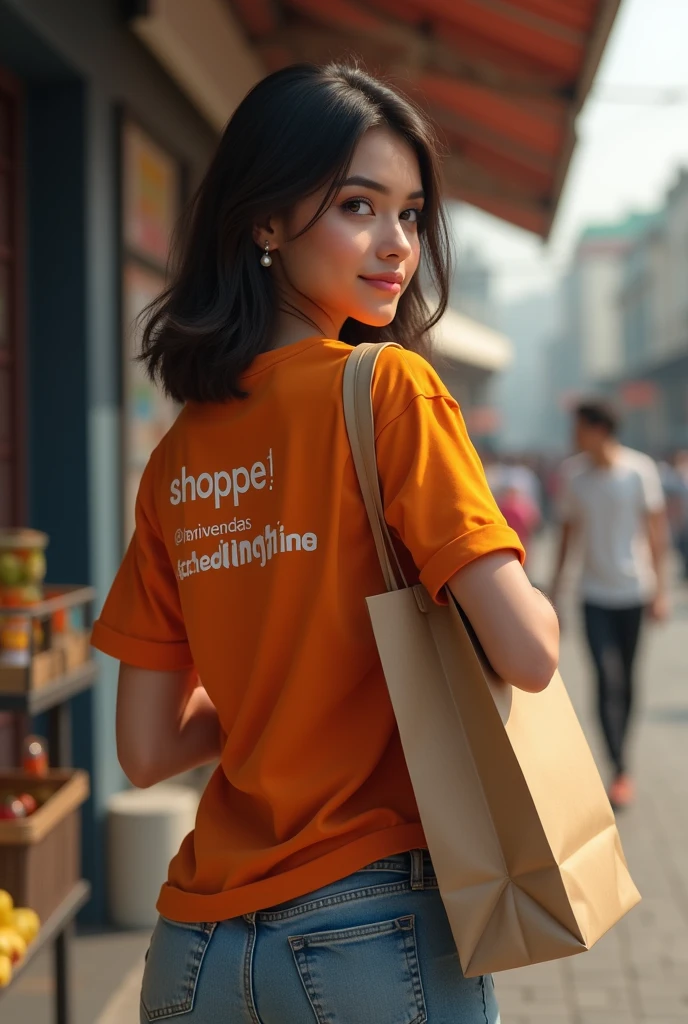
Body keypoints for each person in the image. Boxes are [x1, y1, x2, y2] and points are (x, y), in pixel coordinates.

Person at [91, 63, 559, 1024]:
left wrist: (273, 691)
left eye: (413, 215)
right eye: (359, 205)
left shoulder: (177, 455)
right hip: (375, 927)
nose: (397, 246)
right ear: (264, 221)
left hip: (194, 952)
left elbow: (143, 747)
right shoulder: (388, 390)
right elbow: (531, 651)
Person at [550, 400, 669, 811]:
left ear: (599, 429)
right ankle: (618, 767)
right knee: (606, 676)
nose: (573, 436)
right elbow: (567, 536)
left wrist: (661, 591)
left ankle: (624, 763)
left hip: (634, 592)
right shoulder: (574, 476)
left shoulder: (639, 471)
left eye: (578, 428)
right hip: (593, 596)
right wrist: (555, 592)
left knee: (629, 681)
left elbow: (656, 533)